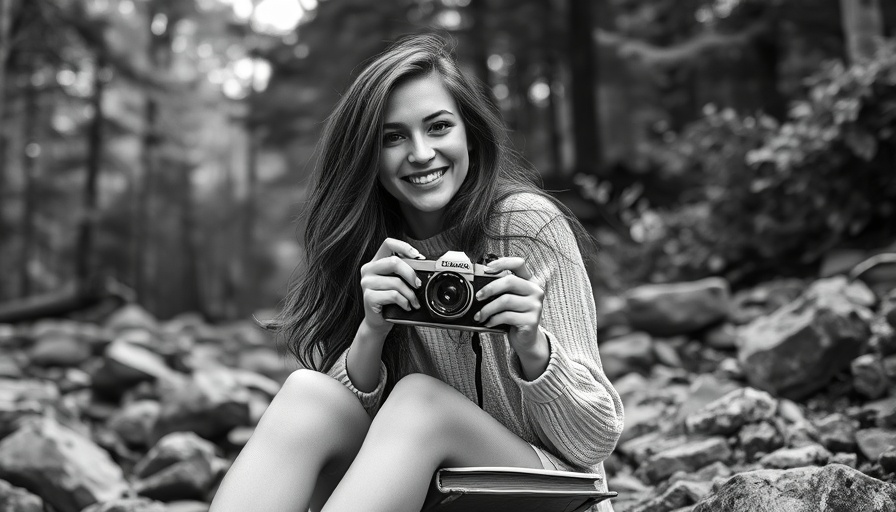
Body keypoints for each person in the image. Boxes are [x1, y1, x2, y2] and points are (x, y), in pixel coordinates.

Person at [209, 34, 623, 512]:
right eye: (394, 137)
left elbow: (595, 442)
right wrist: (372, 333)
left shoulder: (525, 225)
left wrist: (533, 349)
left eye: (439, 126)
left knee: (421, 402)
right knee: (309, 392)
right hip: (426, 498)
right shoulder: (370, 251)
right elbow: (353, 445)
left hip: (547, 499)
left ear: (469, 132)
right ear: (368, 154)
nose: (421, 153)